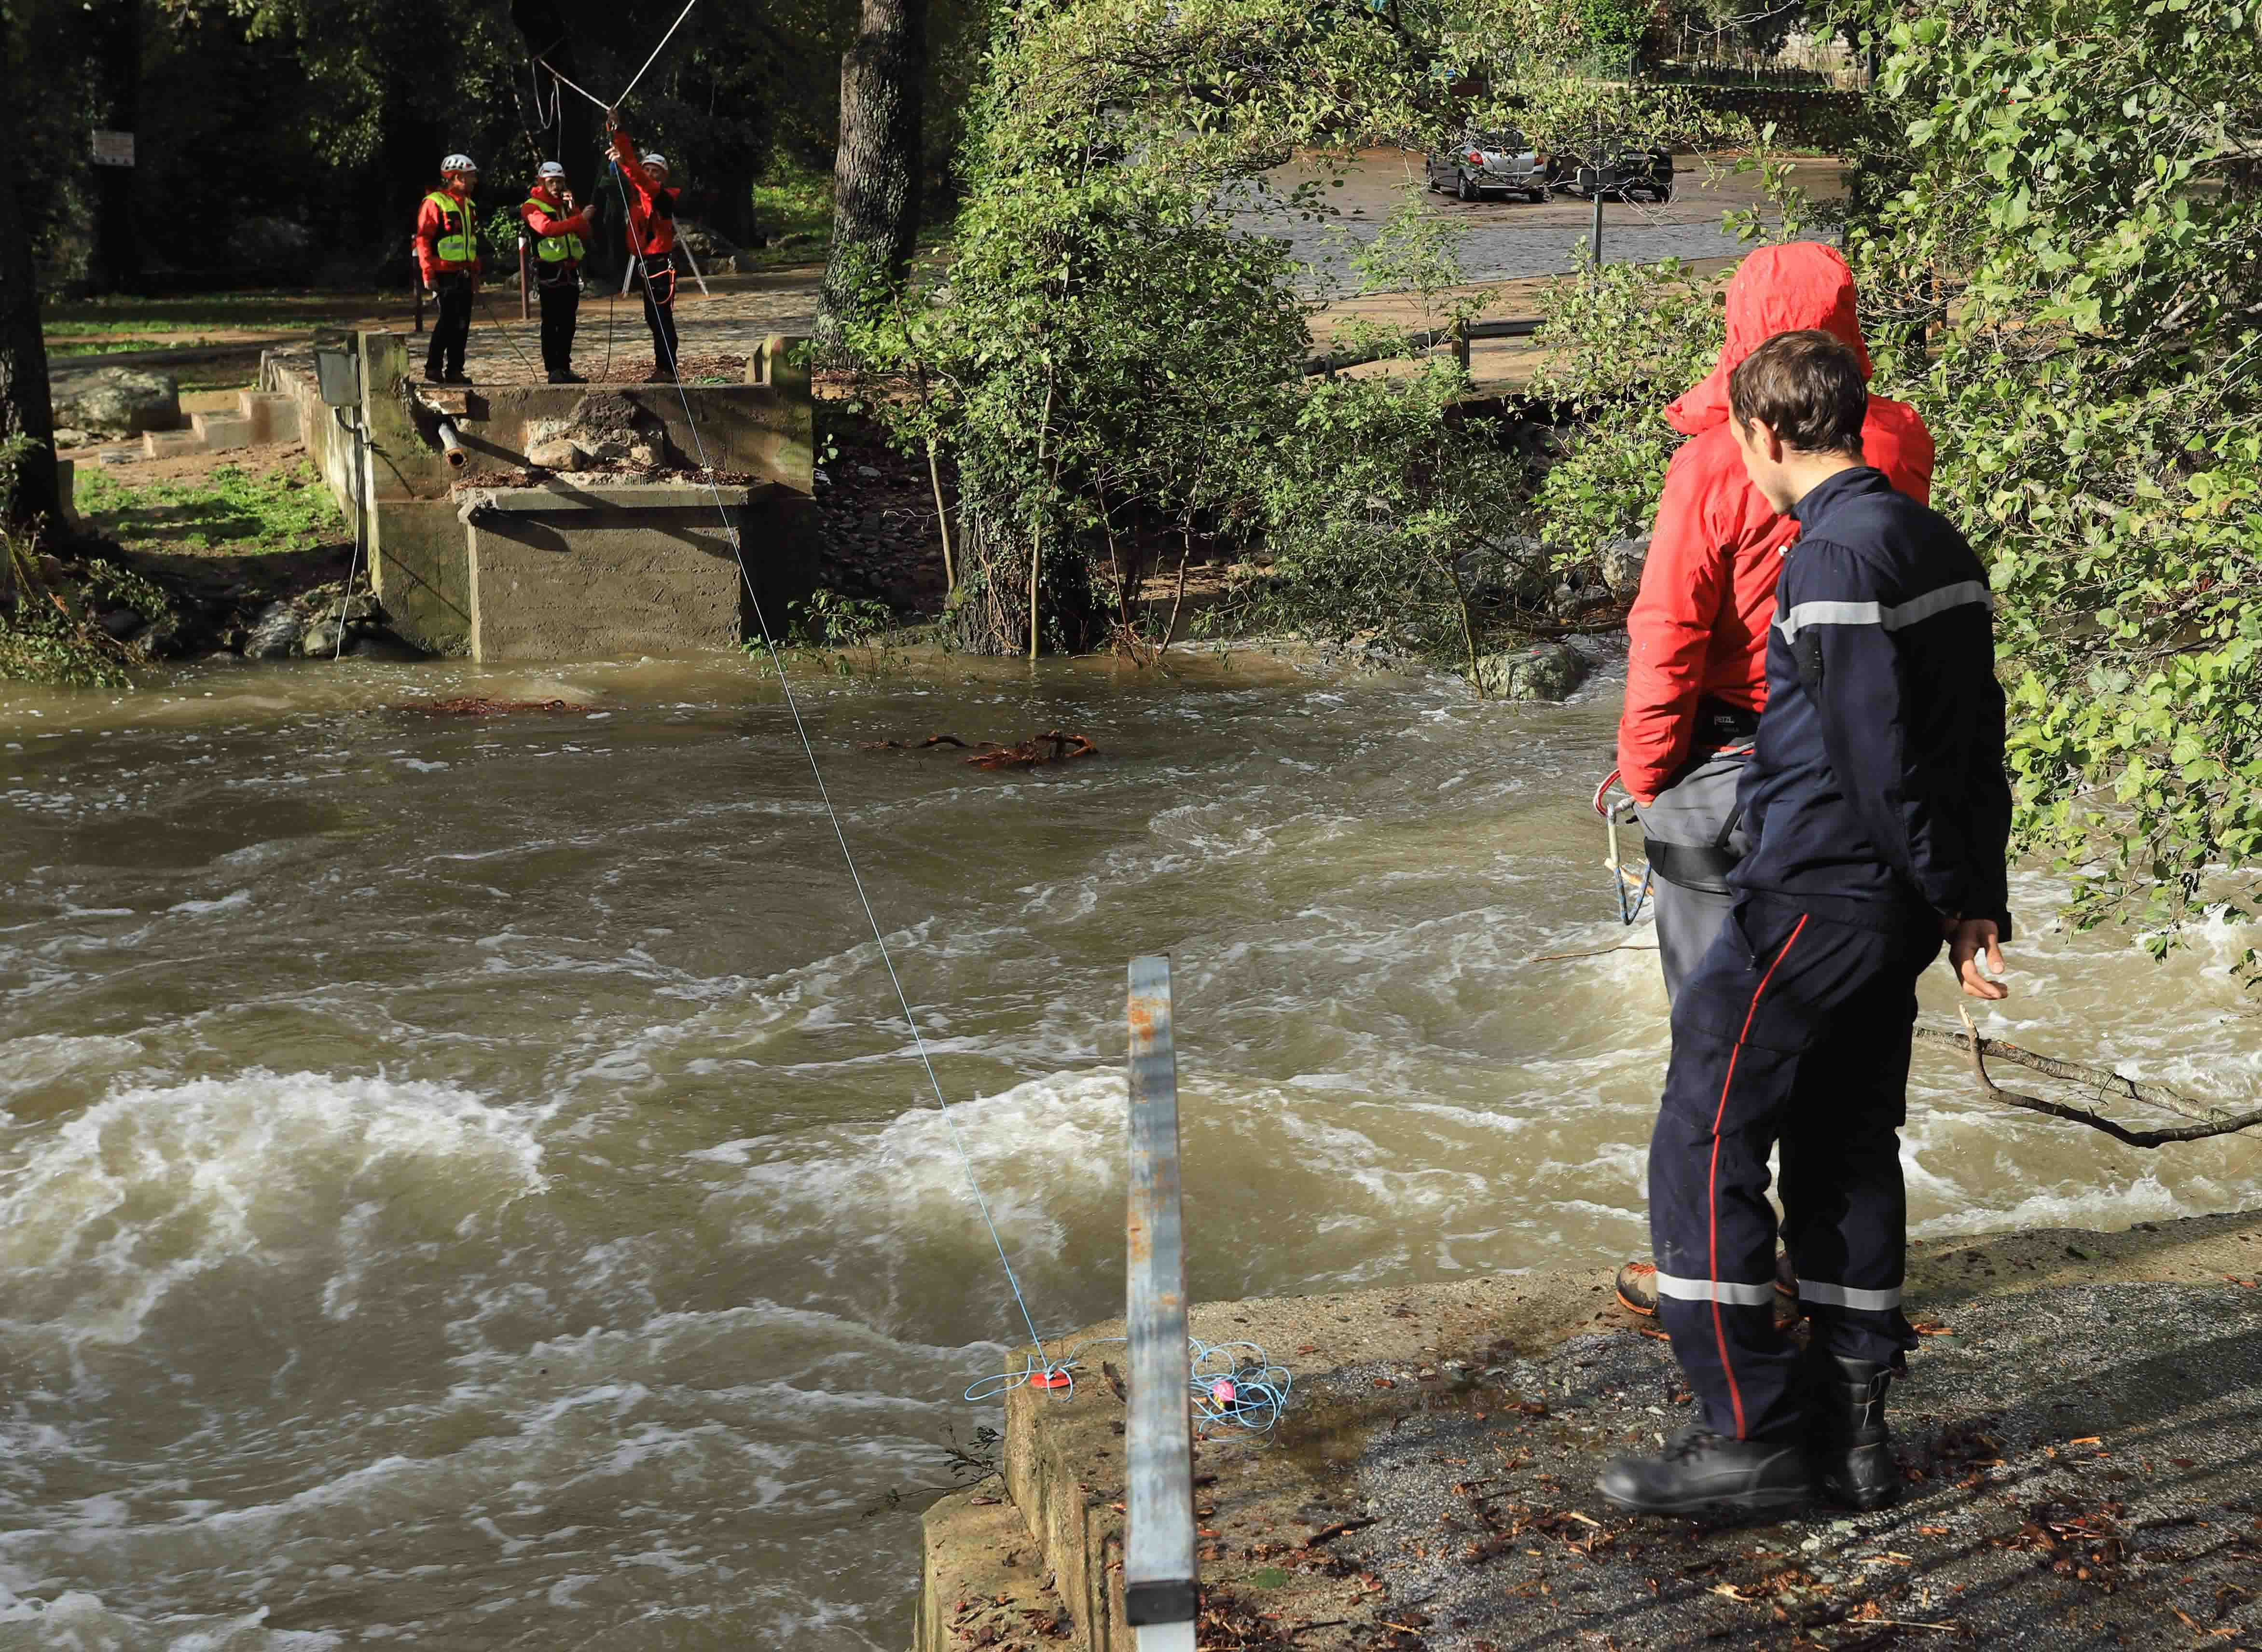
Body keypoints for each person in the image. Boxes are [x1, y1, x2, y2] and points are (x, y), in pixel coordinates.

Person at [1596, 329, 2013, 1518]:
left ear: (1761, 436)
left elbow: (1870, 756)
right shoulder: (1935, 540)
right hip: (1887, 912)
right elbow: (1973, 743)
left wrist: (1938, 889)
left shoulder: (1827, 558)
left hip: (1814, 895)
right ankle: (1854, 1432)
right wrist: (1969, 899)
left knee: (1702, 1135)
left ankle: (1750, 1432)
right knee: (1845, 1139)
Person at [1611, 243, 1935, 1321]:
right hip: (1853, 764)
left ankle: (1723, 1285)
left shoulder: (1713, 460)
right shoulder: (1896, 442)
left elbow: (1667, 630)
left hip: (1723, 764)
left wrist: (1643, 771)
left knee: (1718, 1043)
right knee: (1841, 1059)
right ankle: (1829, 1283)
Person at [604, 108, 682, 382]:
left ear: (663, 177)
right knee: (654, 319)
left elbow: (637, 175)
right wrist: (615, 133)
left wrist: (624, 153)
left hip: (660, 265)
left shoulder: (662, 197)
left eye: (655, 171)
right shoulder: (640, 197)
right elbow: (635, 175)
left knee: (661, 319)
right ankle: (664, 367)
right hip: (646, 264)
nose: (650, 174)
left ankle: (668, 369)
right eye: (649, 169)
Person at [521, 162, 594, 384]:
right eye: (551, 182)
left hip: (570, 272)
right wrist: (580, 219)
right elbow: (548, 229)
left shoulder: (565, 207)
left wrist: (575, 211)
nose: (556, 186)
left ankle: (564, 366)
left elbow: (585, 234)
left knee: (568, 322)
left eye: (559, 182)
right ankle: (553, 368)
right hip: (549, 271)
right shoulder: (532, 206)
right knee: (552, 321)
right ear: (541, 182)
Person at [416, 155, 483, 385]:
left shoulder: (469, 205)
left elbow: (471, 241)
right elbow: (424, 239)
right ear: (457, 178)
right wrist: (428, 273)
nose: (475, 180)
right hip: (444, 273)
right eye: (471, 176)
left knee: (463, 322)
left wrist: (475, 272)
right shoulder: (435, 202)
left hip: (464, 272)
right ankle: (433, 367)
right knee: (448, 320)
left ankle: (455, 370)